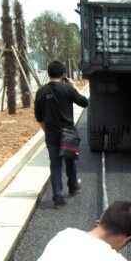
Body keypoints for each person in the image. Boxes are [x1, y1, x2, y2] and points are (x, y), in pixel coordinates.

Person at [34, 60, 89, 210]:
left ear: (48, 73)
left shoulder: (41, 91)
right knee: (71, 161)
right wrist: (73, 86)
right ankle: (73, 186)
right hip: (68, 133)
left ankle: (58, 199)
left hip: (51, 134)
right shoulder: (67, 89)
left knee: (55, 165)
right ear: (63, 74)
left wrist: (47, 132)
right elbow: (84, 102)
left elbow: (38, 117)